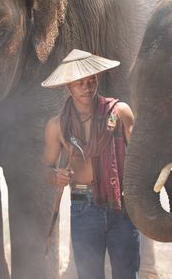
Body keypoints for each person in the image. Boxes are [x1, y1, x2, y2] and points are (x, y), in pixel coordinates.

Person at [41, 49, 139, 279]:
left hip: (121, 203)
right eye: (80, 83)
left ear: (97, 80)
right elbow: (45, 168)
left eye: (91, 81)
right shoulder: (57, 126)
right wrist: (56, 176)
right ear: (69, 87)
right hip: (83, 205)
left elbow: (137, 159)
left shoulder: (119, 112)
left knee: (127, 274)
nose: (87, 87)